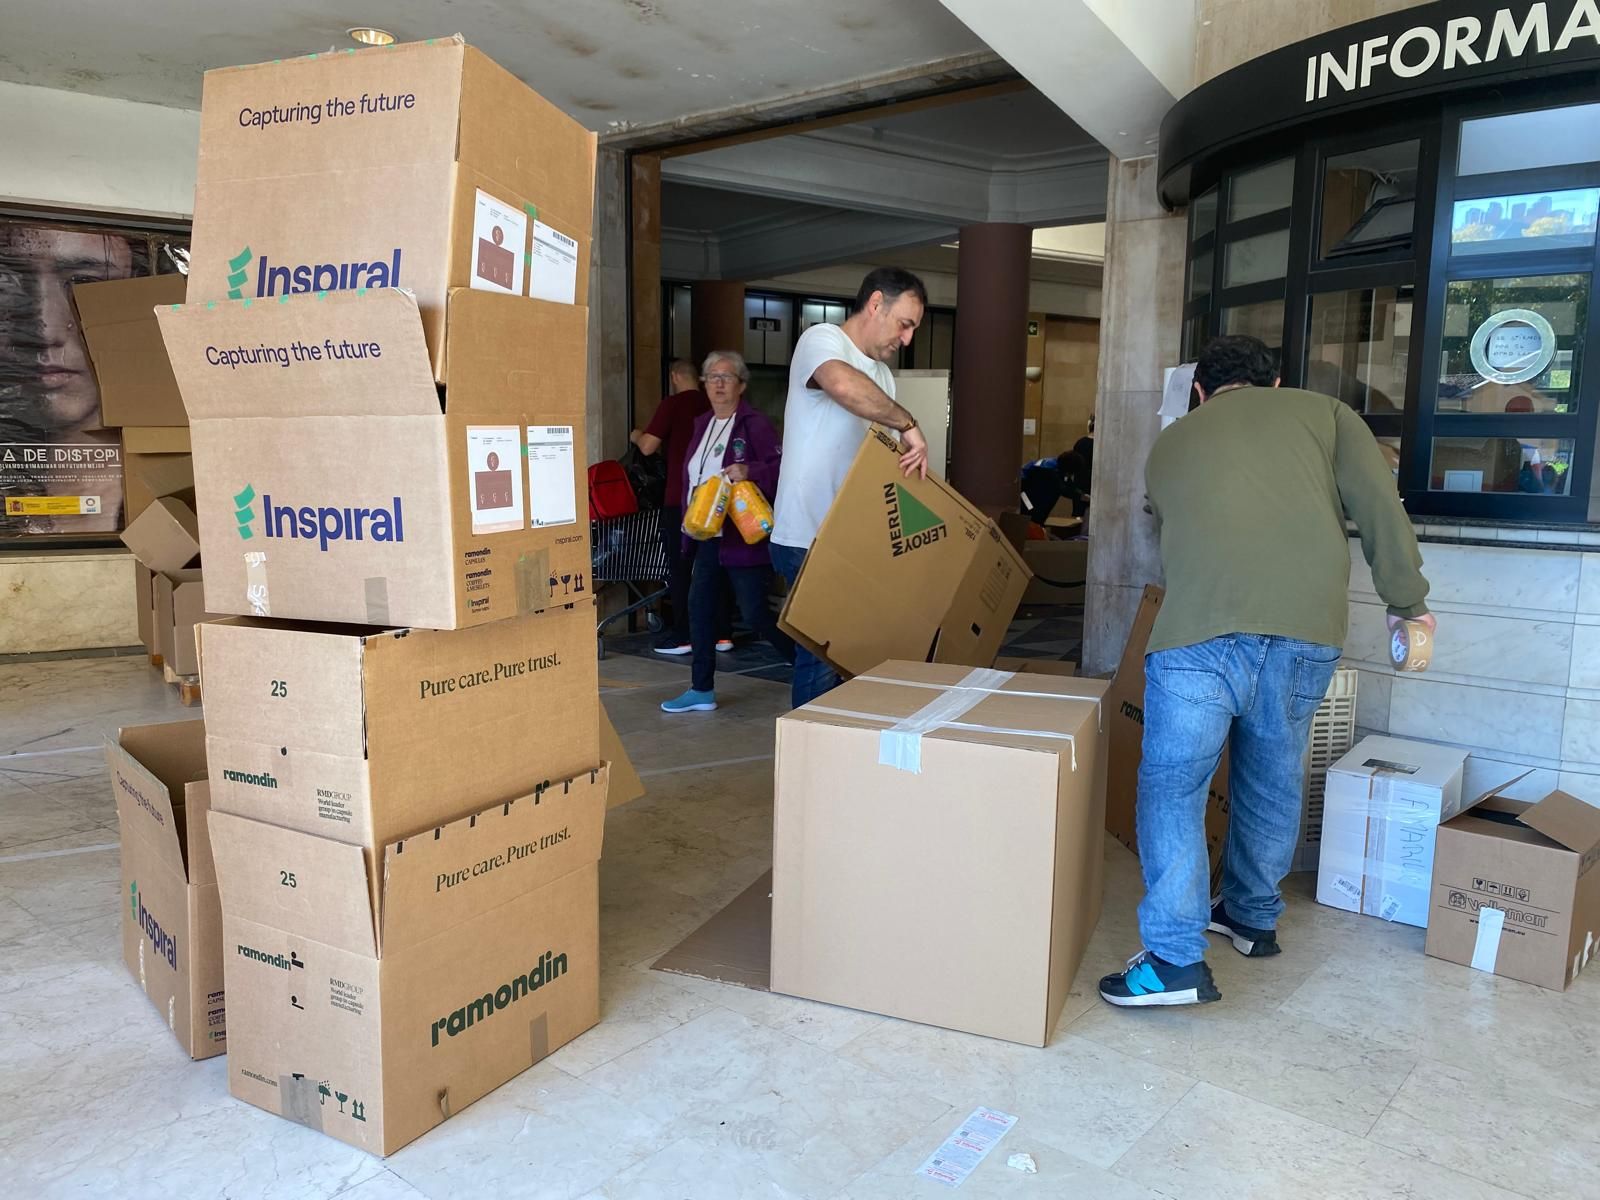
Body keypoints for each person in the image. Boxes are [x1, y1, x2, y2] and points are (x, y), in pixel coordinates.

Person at [1099, 334, 1435, 1008]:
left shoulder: (1172, 444)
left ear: (1199, 392)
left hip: (1198, 635)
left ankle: (1172, 962)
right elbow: (1378, 508)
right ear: (1276, 382)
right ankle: (1251, 917)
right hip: (1305, 631)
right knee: (1273, 772)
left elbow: (1170, 529)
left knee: (1174, 789)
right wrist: (1408, 605)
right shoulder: (1328, 416)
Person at [769, 267, 931, 708]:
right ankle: (809, 765)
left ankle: (832, 754)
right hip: (808, 535)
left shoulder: (883, 377)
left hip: (852, 541)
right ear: (876, 304)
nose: (907, 339)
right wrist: (909, 424)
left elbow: (879, 465)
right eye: (905, 323)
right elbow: (841, 384)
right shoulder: (822, 340)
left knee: (844, 659)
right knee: (820, 659)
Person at [661, 351, 794, 714]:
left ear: (741, 385)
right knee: (699, 611)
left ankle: (805, 664)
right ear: (703, 384)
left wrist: (749, 469)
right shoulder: (701, 422)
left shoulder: (755, 424)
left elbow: (782, 465)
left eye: (727, 376)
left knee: (755, 614)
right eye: (712, 376)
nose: (718, 383)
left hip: (742, 538)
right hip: (707, 538)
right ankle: (701, 688)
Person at [629, 360, 731, 656]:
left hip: (681, 498)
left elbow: (648, 446)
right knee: (715, 566)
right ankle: (723, 634)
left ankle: (684, 635)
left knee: (681, 568)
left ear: (674, 376)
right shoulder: (714, 404)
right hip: (715, 500)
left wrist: (635, 435)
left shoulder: (672, 404)